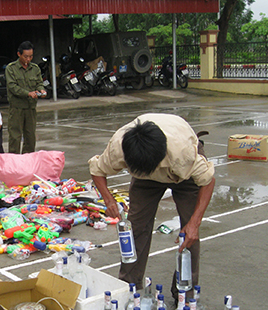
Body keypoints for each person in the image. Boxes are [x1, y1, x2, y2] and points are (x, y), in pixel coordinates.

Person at [88, 113, 215, 300]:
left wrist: (195, 223)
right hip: (145, 173)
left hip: (183, 173)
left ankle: (185, 292)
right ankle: (128, 286)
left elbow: (208, 181)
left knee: (189, 236)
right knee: (135, 228)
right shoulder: (119, 147)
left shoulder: (184, 154)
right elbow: (97, 170)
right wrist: (109, 200)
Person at [5, 41, 46, 154]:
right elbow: (12, 87)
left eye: (31, 56)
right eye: (26, 56)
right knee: (15, 137)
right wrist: (28, 93)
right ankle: (14, 162)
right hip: (17, 108)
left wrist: (41, 89)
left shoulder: (35, 68)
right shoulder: (11, 68)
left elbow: (39, 82)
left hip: (30, 108)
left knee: (30, 137)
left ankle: (27, 161)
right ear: (19, 54)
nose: (28, 59)